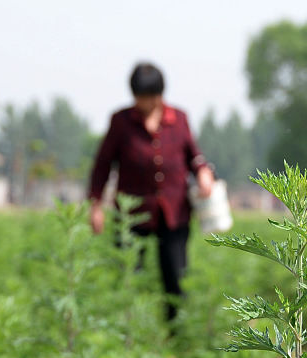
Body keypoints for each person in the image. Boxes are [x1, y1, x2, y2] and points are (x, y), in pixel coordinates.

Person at [88, 62, 215, 321]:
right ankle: (128, 334)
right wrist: (96, 205)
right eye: (140, 97)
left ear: (160, 95)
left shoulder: (178, 119)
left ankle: (175, 335)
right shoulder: (121, 122)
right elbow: (102, 166)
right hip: (132, 215)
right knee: (128, 277)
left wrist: (203, 172)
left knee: (176, 280)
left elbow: (195, 156)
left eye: (149, 97)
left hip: (173, 213)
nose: (144, 103)